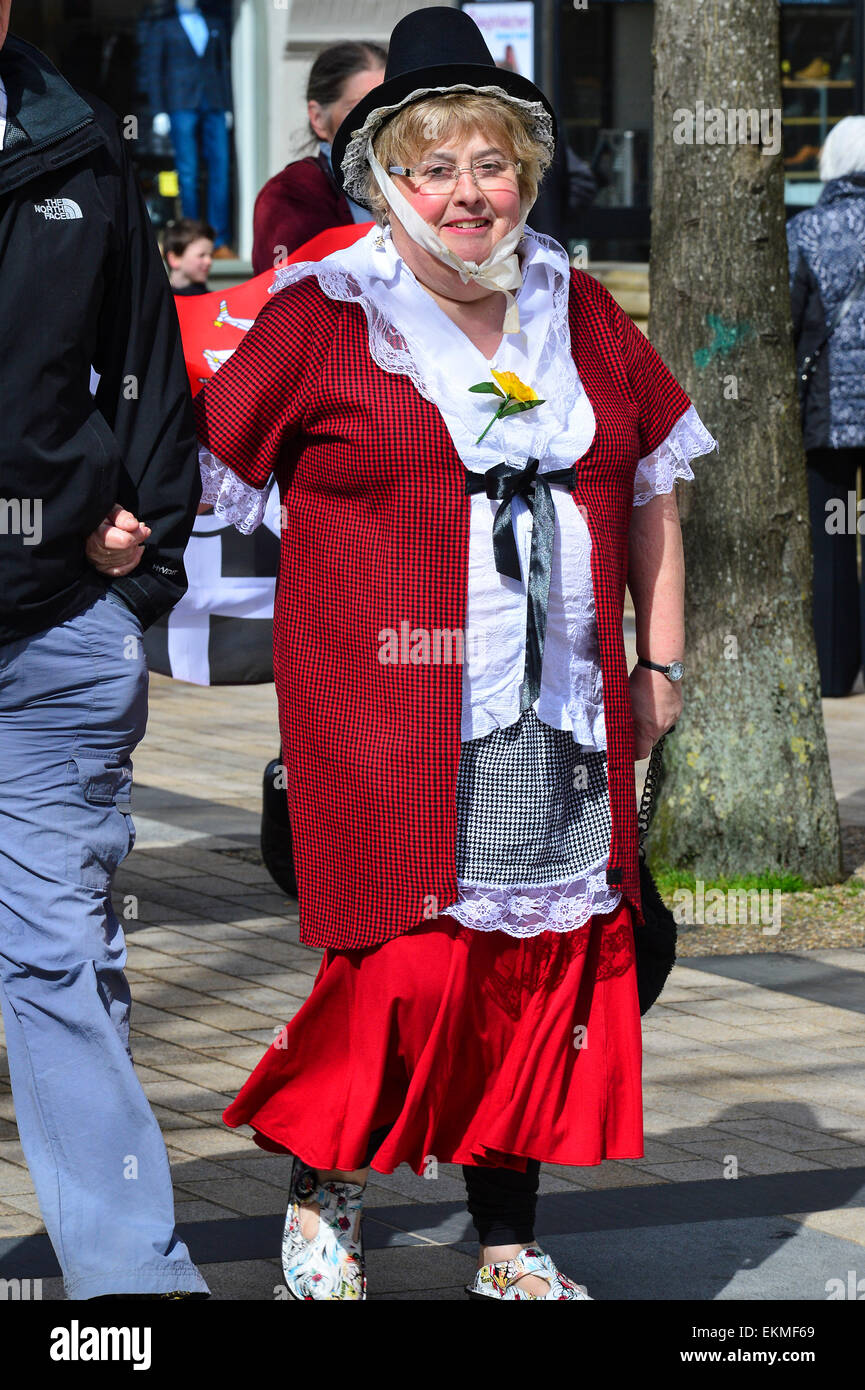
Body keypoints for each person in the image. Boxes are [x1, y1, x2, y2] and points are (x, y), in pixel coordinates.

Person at [193, 6, 716, 1301]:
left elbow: (654, 481)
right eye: (434, 166)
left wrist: (661, 665)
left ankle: (505, 1239)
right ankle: (322, 1183)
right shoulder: (322, 311)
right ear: (382, 178)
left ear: (524, 177)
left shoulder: (576, 308)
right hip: (385, 701)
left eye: (491, 165)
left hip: (567, 707)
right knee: (412, 958)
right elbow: (209, 463)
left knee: (550, 963)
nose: (466, 193)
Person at [0, 7, 207, 1299]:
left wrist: (148, 546)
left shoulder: (78, 152)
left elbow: (147, 363)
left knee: (61, 963)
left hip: (49, 632)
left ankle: (133, 1289)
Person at [787, 115, 865, 698]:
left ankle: (835, 673)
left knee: (832, 541)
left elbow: (789, 319)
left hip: (828, 410)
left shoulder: (807, 230)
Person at [250, 41, 385, 274]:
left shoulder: (415, 181)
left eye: (388, 105)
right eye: (359, 108)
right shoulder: (291, 194)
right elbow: (282, 295)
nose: (376, 120)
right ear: (318, 118)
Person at [143, 0, 235, 256]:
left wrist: (227, 105)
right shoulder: (163, 27)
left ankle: (219, 240)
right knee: (188, 172)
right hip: (180, 104)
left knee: (220, 169)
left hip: (214, 102)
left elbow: (223, 67)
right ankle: (192, 238)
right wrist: (159, 110)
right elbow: (154, 71)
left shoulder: (215, 23)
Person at [163, 215, 214, 293]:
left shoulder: (215, 301)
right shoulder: (160, 302)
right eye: (201, 255)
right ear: (174, 259)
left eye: (211, 255)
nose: (209, 261)